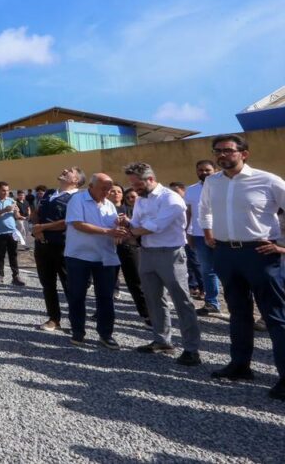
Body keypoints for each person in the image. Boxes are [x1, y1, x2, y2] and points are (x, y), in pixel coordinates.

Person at [199, 134, 285, 400]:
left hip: (259, 253)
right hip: (225, 253)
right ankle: (240, 365)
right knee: (238, 313)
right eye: (217, 151)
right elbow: (205, 209)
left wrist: (283, 247)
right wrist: (209, 233)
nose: (222, 155)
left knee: (276, 317)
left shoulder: (267, 180)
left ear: (244, 153)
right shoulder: (213, 182)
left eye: (227, 151)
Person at [122, 163, 201, 366]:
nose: (134, 188)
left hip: (170, 254)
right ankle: (162, 340)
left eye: (136, 183)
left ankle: (191, 349)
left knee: (182, 300)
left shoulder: (171, 199)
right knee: (153, 299)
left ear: (150, 179)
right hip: (147, 253)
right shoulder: (141, 200)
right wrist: (125, 223)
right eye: (131, 183)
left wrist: (133, 231)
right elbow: (138, 223)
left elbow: (155, 226)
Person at [64, 173, 121, 348]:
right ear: (91, 186)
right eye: (104, 188)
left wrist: (120, 223)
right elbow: (77, 224)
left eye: (109, 189)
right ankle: (78, 331)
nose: (107, 192)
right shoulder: (77, 200)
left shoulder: (109, 205)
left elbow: (112, 226)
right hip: (79, 256)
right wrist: (107, 231)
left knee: (105, 297)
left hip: (104, 257)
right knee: (77, 295)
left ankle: (105, 334)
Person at [32, 167, 83, 331]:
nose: (64, 170)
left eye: (70, 170)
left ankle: (76, 323)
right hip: (42, 245)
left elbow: (68, 221)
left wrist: (41, 227)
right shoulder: (49, 193)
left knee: (70, 285)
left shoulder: (77, 197)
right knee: (48, 284)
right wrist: (36, 229)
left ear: (75, 180)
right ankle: (54, 318)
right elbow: (36, 213)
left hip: (63, 246)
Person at [108, 183, 150, 325]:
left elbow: (139, 228)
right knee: (107, 282)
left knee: (135, 282)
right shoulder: (103, 210)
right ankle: (104, 312)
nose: (115, 194)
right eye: (112, 191)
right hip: (108, 248)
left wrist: (127, 224)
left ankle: (146, 314)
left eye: (118, 191)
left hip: (129, 248)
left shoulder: (131, 210)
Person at [185, 160, 221, 317]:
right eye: (200, 170)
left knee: (229, 271)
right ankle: (212, 303)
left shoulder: (223, 186)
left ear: (215, 170)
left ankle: (237, 305)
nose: (204, 173)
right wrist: (189, 233)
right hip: (200, 236)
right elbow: (189, 213)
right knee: (207, 270)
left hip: (223, 236)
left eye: (208, 170)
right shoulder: (191, 190)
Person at [0, 182, 26, 286]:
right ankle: (0, 276)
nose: (6, 192)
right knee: (0, 255)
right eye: (3, 190)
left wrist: (19, 215)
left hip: (12, 232)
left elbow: (16, 215)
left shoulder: (11, 200)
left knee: (13, 255)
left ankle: (16, 277)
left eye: (7, 190)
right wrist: (5, 209)